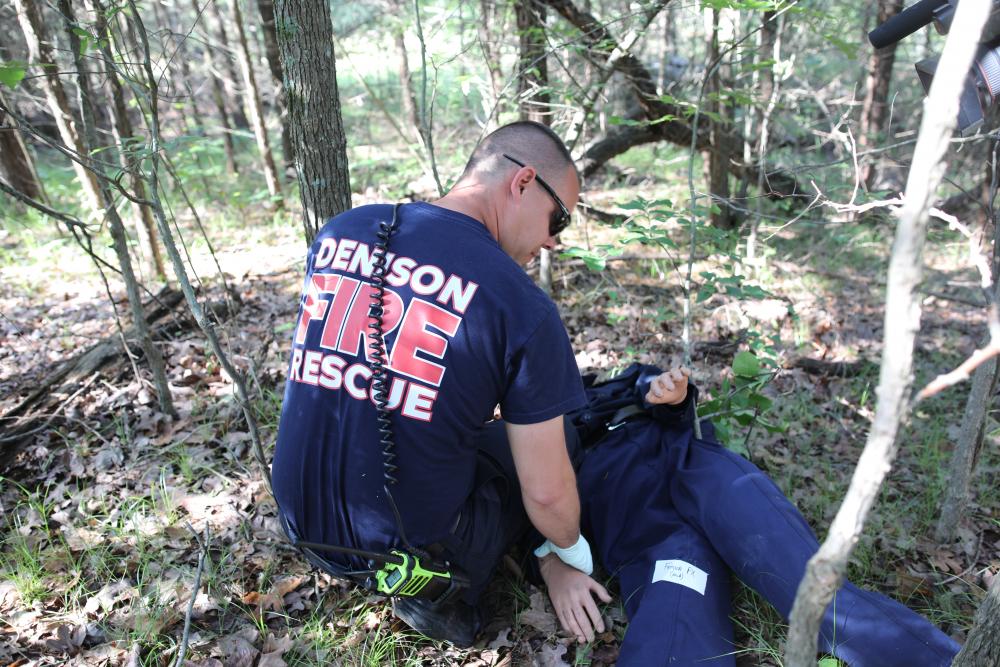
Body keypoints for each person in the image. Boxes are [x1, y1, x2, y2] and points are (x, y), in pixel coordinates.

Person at [270, 121, 597, 646]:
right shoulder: (520, 304)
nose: (553, 239)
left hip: (301, 523)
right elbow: (547, 494)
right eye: (558, 217)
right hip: (412, 555)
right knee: (564, 442)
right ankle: (437, 592)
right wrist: (573, 552)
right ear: (522, 182)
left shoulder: (340, 232)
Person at [541, 363, 962, 666]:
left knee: (807, 584)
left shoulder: (623, 379)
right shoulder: (529, 425)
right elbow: (527, 504)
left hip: (699, 471)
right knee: (677, 610)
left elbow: (671, 401)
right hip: (639, 517)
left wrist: (673, 395)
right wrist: (552, 566)